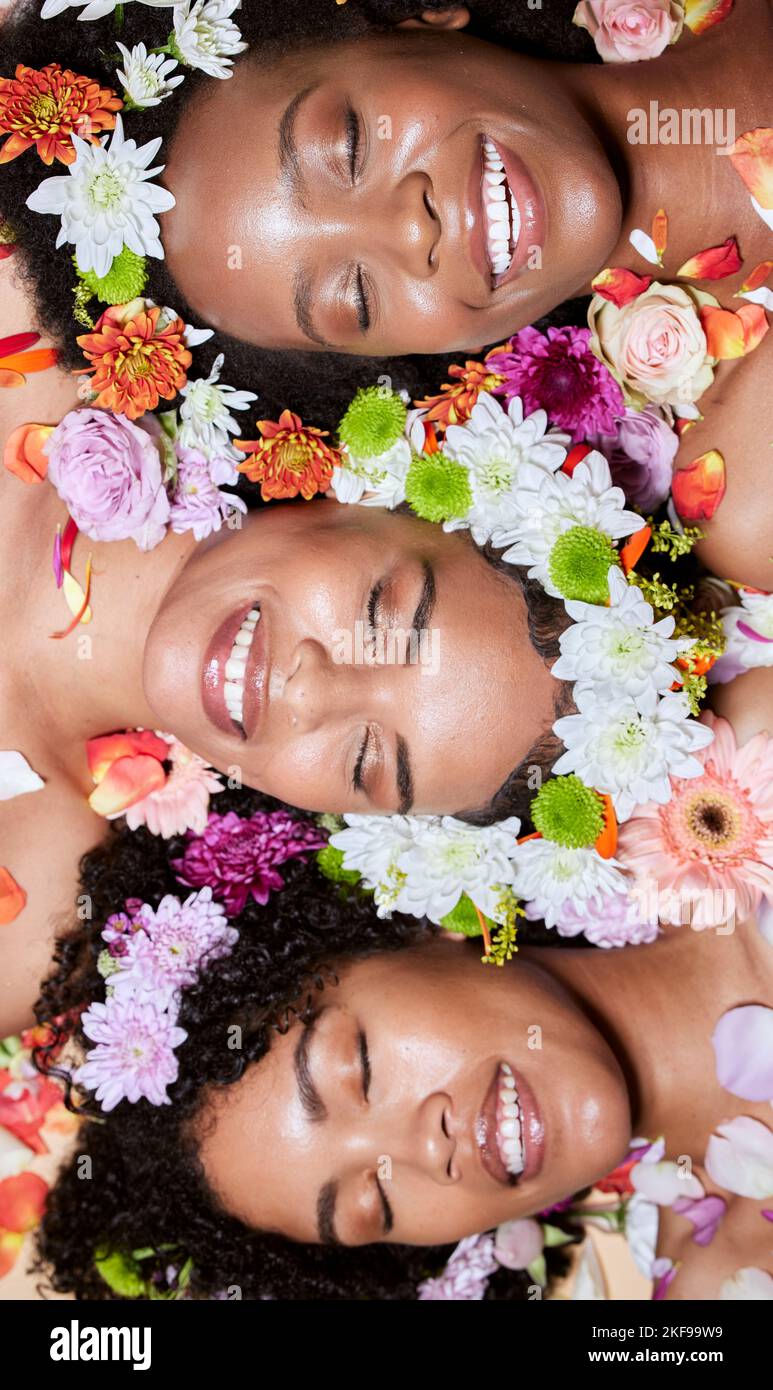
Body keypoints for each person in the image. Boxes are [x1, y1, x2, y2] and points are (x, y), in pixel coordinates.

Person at [27, 686, 773, 1300]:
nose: (421, 1152)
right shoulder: (724, 1285)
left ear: (412, 922)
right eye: (372, 1207)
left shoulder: (735, 760)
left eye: (361, 1070)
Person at [3, 0, 773, 587]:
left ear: (419, 17)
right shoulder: (748, 498)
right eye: (357, 299)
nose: (411, 228)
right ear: (438, 356)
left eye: (349, 145)